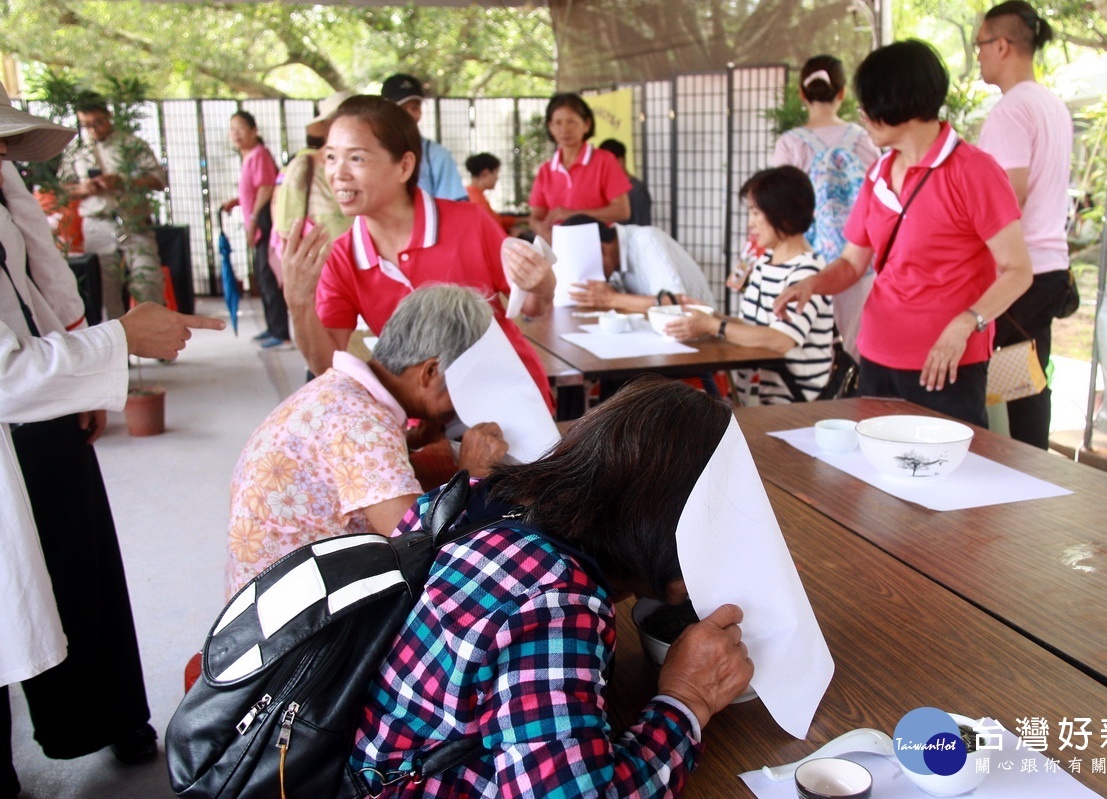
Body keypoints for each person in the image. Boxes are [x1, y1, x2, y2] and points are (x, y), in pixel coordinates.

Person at [350, 375, 753, 797]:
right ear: (666, 526)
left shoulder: (460, 502)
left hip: (352, 755)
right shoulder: (553, 604)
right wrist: (687, 699)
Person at [0, 83, 225, 798]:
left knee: (82, 565)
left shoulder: (5, 177)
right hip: (21, 395)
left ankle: (112, 713)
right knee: (15, 599)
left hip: (47, 396)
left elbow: (36, 276)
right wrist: (114, 343)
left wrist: (90, 362)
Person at [773, 40, 1033, 427]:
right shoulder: (877, 174)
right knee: (875, 478)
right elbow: (851, 262)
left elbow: (1018, 271)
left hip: (946, 362)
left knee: (945, 479)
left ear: (897, 102)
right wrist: (813, 283)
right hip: (877, 355)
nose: (861, 114)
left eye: (868, 104)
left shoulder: (973, 171)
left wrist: (966, 323)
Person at [226, 285, 508, 598]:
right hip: (301, 626)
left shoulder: (340, 391)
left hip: (262, 603)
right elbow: (421, 546)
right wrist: (472, 474)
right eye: (467, 385)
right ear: (429, 372)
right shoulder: (363, 424)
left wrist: (408, 442)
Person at [281, 95, 555, 411]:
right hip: (421, 417)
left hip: (509, 401)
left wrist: (543, 285)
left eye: (356, 158)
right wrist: (299, 304)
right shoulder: (342, 257)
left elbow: (531, 306)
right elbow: (327, 367)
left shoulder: (470, 223)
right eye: (330, 157)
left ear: (405, 166)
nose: (338, 173)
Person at [977, 1, 1074, 450]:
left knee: (1014, 386)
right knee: (1030, 380)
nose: (977, 55)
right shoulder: (1051, 103)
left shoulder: (1011, 110)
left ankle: (1022, 475)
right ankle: (1031, 469)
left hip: (1021, 270)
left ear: (1003, 45)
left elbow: (1009, 195)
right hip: (1052, 264)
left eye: (980, 45)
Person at [664, 167, 834, 403]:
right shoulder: (765, 261)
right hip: (753, 395)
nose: (750, 224)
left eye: (755, 213)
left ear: (783, 213)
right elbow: (752, 327)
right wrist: (710, 317)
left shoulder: (807, 272)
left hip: (792, 402)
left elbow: (780, 340)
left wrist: (713, 325)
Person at [772, 55, 880, 363]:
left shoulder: (791, 143)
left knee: (811, 347)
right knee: (855, 347)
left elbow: (778, 206)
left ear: (802, 94)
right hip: (860, 257)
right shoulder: (865, 138)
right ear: (842, 93)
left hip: (807, 261)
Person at [58, 91, 166, 321]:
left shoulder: (131, 144)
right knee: (108, 291)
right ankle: (122, 348)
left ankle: (158, 336)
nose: (93, 129)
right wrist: (85, 189)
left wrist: (123, 181)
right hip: (98, 223)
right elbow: (62, 189)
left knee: (148, 281)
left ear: (108, 116)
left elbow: (158, 180)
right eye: (86, 125)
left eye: (97, 123)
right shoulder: (76, 150)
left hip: (132, 221)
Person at [221, 111, 288, 348]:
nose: (235, 133)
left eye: (240, 127)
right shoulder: (249, 156)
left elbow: (266, 188)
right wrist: (237, 201)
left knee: (268, 276)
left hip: (265, 221)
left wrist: (252, 220)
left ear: (254, 130)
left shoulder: (259, 155)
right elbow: (252, 189)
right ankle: (273, 327)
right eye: (232, 129)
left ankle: (281, 332)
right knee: (263, 276)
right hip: (257, 219)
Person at [527, 93, 631, 242]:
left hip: (599, 247)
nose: (564, 129)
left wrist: (572, 214)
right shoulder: (546, 170)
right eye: (558, 123)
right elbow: (535, 217)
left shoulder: (605, 161)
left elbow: (622, 211)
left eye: (571, 122)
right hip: (558, 248)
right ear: (550, 127)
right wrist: (541, 229)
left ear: (587, 124)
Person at [561, 214, 714, 313]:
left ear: (601, 250)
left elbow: (673, 302)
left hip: (705, 339)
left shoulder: (646, 240)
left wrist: (609, 298)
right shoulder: (614, 263)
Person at [271, 90, 353, 256]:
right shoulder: (303, 167)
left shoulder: (371, 167)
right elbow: (287, 233)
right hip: (320, 274)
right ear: (327, 127)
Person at [381, 73, 467, 201]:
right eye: (402, 107)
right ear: (385, 110)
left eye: (415, 107)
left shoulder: (437, 156)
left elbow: (455, 207)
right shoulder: (371, 152)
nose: (409, 114)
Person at [598, 138, 651, 225]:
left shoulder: (636, 190)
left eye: (605, 163)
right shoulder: (607, 187)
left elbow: (641, 224)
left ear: (620, 161)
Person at [464, 152, 521, 232]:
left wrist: (524, 220)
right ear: (485, 173)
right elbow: (489, 230)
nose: (497, 178)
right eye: (496, 173)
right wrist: (513, 236)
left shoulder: (472, 194)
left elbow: (496, 220)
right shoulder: (477, 201)